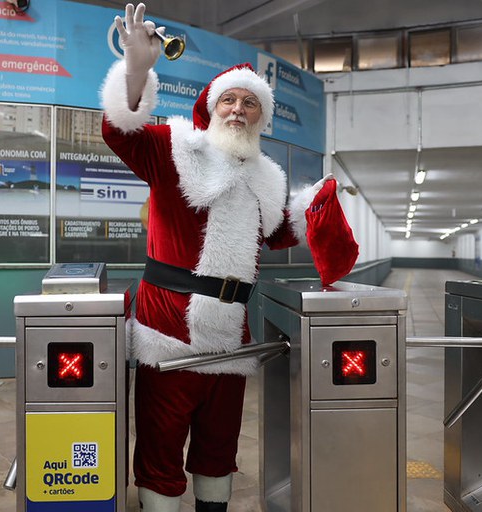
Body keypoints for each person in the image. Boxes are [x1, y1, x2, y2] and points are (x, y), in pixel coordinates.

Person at [100, 4, 358, 511]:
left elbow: (278, 232)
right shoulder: (175, 149)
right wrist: (135, 71)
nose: (238, 109)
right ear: (212, 107)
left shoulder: (268, 178)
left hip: (231, 335)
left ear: (262, 116)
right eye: (229, 100)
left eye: (250, 102)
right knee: (161, 445)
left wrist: (314, 205)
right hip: (168, 329)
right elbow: (119, 131)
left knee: (219, 446)